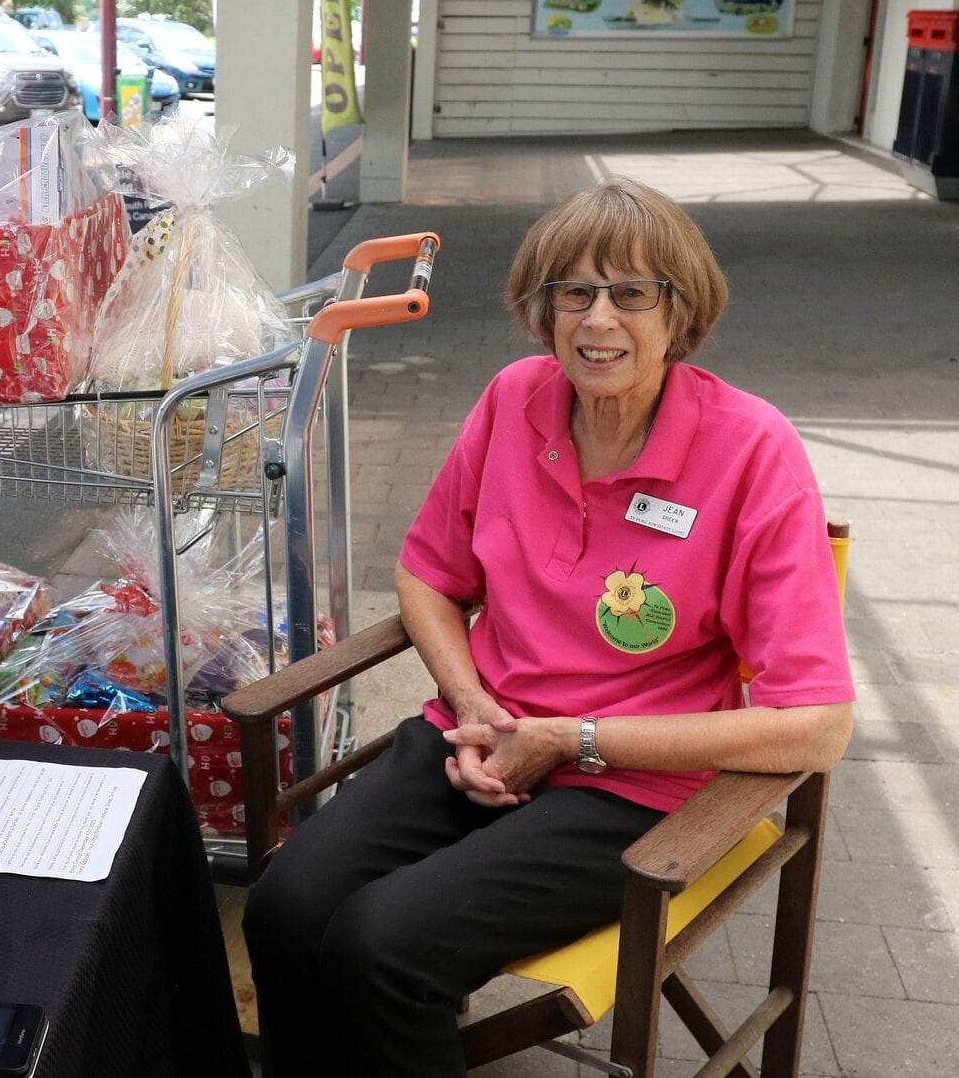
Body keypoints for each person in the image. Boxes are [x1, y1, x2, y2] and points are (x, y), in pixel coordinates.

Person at [243, 177, 855, 1078]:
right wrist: (474, 704)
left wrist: (571, 738)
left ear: (680, 313)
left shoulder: (753, 452)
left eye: (631, 293)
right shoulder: (514, 400)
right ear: (544, 308)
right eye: (574, 291)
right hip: (480, 732)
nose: (597, 318)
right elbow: (427, 573)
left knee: (383, 947)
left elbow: (819, 725)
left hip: (633, 787)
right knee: (286, 906)